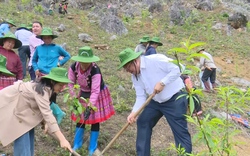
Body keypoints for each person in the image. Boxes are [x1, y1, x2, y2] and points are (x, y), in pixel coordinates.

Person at [118, 48, 192, 156]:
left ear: (135, 61)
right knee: (143, 122)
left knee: (180, 132)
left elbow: (179, 68)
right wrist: (134, 112)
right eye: (126, 69)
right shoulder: (135, 76)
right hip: (156, 102)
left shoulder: (156, 60)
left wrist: (163, 82)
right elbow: (141, 97)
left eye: (128, 68)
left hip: (175, 99)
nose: (128, 71)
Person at [0, 67, 73, 155]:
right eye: (60, 85)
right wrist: (62, 140)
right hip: (11, 107)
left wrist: (45, 122)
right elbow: (47, 113)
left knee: (29, 146)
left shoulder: (47, 89)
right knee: (22, 146)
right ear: (52, 82)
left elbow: (40, 107)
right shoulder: (40, 90)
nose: (62, 89)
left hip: (24, 113)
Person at [68, 46, 115, 155]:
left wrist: (90, 106)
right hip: (82, 92)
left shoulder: (95, 70)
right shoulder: (73, 67)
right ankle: (77, 143)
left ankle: (92, 147)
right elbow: (70, 83)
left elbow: (95, 90)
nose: (84, 65)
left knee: (95, 120)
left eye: (87, 63)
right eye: (82, 62)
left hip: (96, 93)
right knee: (80, 118)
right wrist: (74, 98)